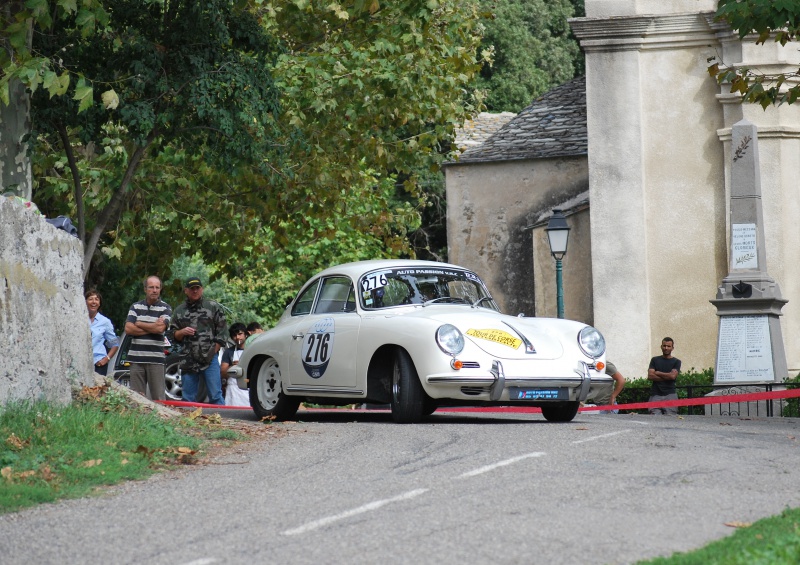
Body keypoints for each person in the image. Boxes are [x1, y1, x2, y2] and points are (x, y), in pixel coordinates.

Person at [170, 276, 227, 405]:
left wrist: (213, 351)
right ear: (186, 291)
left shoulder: (212, 306)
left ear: (202, 289)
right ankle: (188, 424)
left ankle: (223, 423)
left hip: (209, 359)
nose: (195, 291)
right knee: (188, 398)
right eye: (192, 289)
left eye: (197, 288)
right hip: (188, 359)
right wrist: (182, 332)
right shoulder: (179, 311)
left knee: (216, 395)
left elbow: (223, 333)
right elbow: (173, 335)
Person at [124, 276, 171, 400]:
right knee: (137, 399)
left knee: (159, 399)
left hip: (156, 360)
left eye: (157, 287)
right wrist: (152, 326)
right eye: (151, 287)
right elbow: (128, 329)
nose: (154, 290)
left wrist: (139, 323)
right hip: (136, 359)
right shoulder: (135, 307)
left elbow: (160, 329)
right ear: (145, 289)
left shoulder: (166, 308)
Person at [85, 289, 119, 376]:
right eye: (90, 299)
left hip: (98, 363)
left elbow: (115, 344)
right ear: (85, 302)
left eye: (96, 299)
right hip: (82, 362)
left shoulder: (105, 322)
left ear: (99, 303)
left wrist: (106, 359)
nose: (93, 302)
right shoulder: (79, 319)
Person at [648, 337, 681, 415]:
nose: (666, 348)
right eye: (664, 346)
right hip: (655, 395)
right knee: (654, 419)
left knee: (671, 419)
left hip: (670, 395)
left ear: (672, 348)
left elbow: (673, 377)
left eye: (668, 346)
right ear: (661, 346)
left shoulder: (676, 361)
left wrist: (658, 373)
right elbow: (650, 376)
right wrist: (668, 376)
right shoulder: (655, 360)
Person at [221, 323, 250, 406]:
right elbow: (222, 373)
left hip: (249, 388)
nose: (237, 337)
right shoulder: (228, 352)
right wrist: (232, 367)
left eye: (240, 334)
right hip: (233, 390)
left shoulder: (252, 350)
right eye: (234, 335)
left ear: (246, 334)